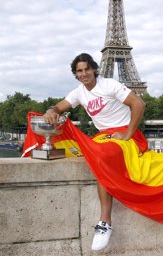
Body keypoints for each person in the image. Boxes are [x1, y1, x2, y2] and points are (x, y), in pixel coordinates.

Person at [43, 53, 147, 251]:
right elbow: (58, 107)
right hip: (104, 138)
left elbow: (139, 104)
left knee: (100, 156)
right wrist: (51, 110)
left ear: (93, 69)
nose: (84, 74)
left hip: (127, 136)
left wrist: (127, 133)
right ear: (76, 74)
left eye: (87, 69)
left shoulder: (109, 85)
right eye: (79, 71)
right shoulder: (79, 92)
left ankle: (105, 221)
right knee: (78, 146)